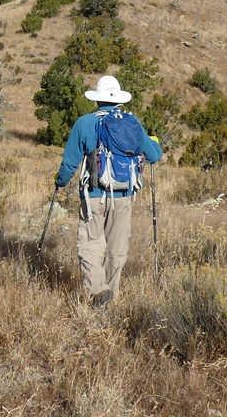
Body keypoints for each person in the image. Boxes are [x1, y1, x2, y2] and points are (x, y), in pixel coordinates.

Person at [56, 75, 162, 308]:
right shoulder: (133, 123)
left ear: (97, 100)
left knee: (91, 243)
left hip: (93, 194)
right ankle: (109, 297)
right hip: (124, 195)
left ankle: (98, 290)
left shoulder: (84, 123)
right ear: (118, 100)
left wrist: (60, 182)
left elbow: (70, 163)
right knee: (117, 248)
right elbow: (154, 155)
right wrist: (153, 141)